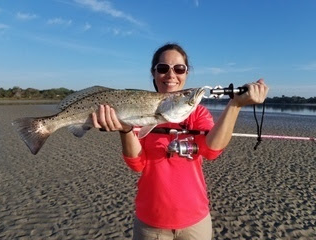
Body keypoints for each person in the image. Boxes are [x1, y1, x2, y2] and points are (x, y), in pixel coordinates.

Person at [92, 43, 269, 240]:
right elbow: (137, 164)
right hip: (151, 222)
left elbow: (212, 151)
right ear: (153, 73)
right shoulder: (135, 112)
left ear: (186, 73)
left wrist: (235, 104)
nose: (171, 75)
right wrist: (125, 130)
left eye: (179, 68)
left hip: (195, 220)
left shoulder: (198, 113)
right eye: (162, 68)